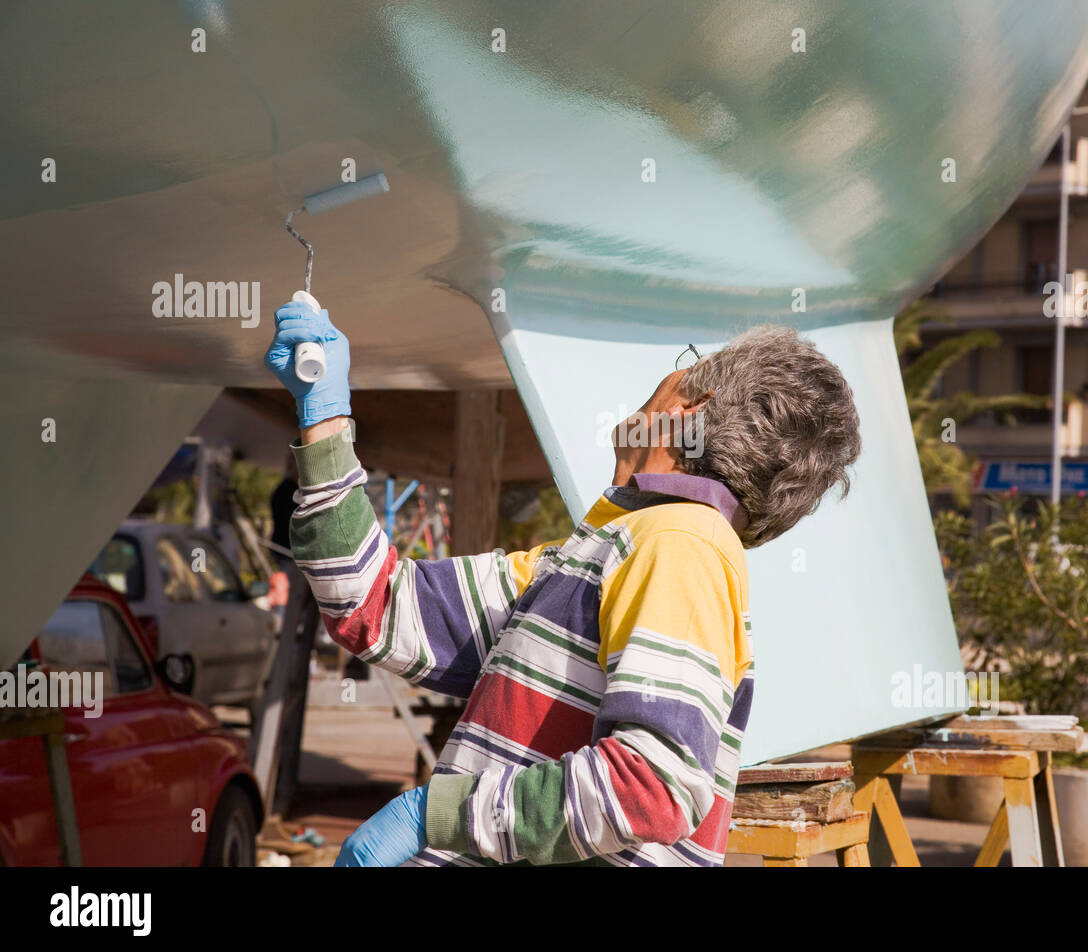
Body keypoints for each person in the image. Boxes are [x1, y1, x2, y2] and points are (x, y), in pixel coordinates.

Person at [263, 300, 861, 866]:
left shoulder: (680, 545)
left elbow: (650, 788)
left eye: (685, 367)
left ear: (688, 411)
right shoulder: (611, 552)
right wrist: (325, 419)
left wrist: (433, 815)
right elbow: (377, 604)